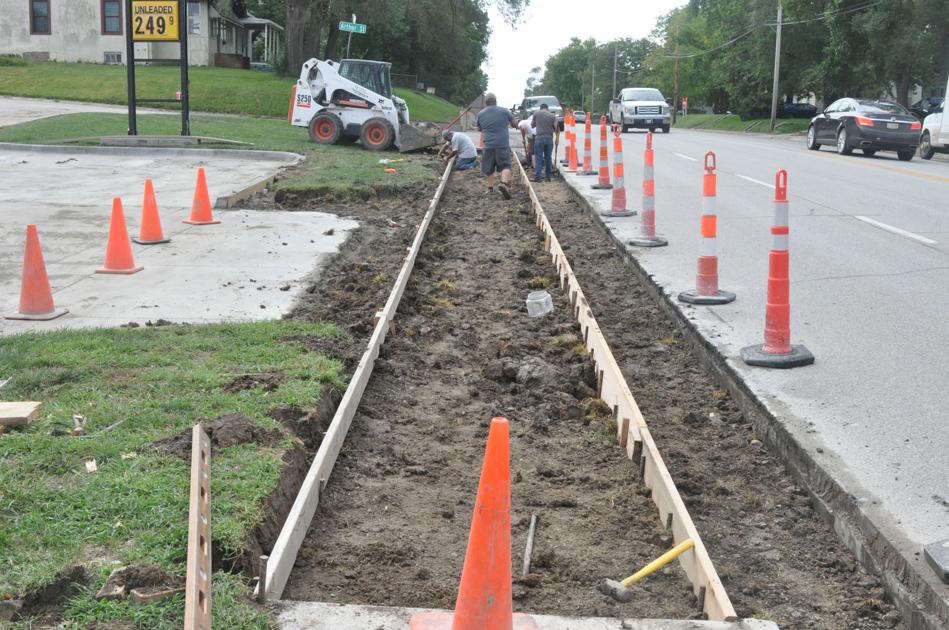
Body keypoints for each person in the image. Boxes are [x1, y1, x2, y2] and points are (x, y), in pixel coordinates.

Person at [476, 92, 517, 199]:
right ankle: (503, 184)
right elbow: (514, 124)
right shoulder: (504, 111)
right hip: (502, 144)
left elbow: (479, 129)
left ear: (486, 103)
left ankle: (490, 189)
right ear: (496, 101)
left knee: (488, 167)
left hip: (488, 145)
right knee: (506, 165)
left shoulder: (480, 114)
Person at [531, 103, 559, 182]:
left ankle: (537, 177)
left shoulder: (536, 113)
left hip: (539, 138)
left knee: (539, 158)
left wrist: (538, 123)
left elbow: (532, 125)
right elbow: (556, 128)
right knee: (548, 158)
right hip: (549, 138)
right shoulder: (553, 116)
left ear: (541, 108)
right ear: (547, 108)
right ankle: (548, 177)